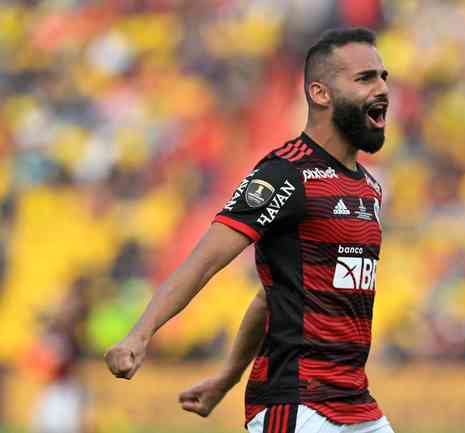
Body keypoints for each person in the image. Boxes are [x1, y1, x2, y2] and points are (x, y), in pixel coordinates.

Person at [105, 27, 394, 433]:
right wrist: (139, 335)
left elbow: (270, 296)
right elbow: (205, 261)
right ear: (320, 94)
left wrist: (226, 377)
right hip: (297, 407)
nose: (382, 88)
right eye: (365, 78)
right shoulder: (286, 174)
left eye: (384, 77)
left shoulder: (370, 188)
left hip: (357, 408)